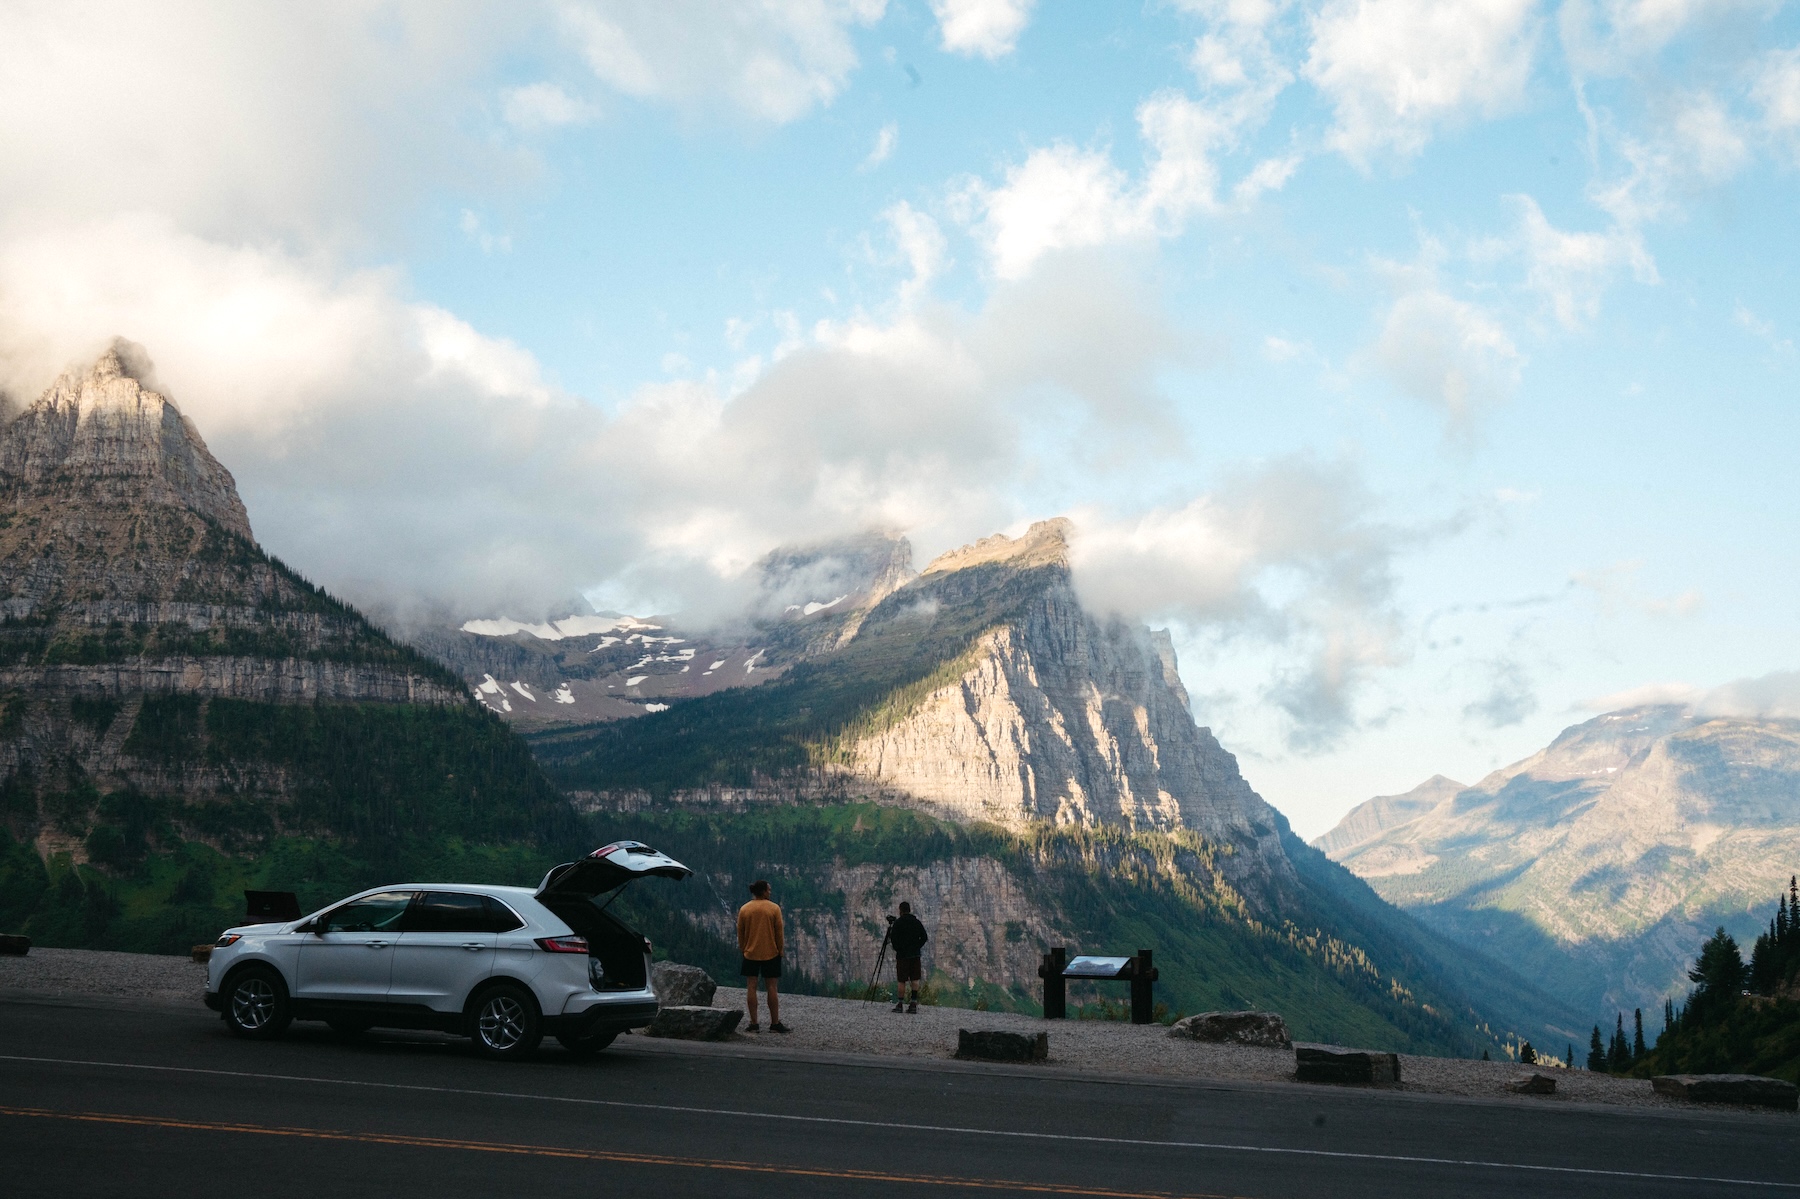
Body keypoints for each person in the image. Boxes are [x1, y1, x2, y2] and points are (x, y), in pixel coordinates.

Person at [737, 879, 788, 1033]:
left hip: (750, 953)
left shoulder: (745, 909)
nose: (770, 892)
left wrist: (744, 949)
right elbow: (779, 932)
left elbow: (741, 932)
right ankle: (774, 1023)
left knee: (751, 987)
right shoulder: (774, 909)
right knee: (772, 987)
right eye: (769, 889)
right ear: (764, 891)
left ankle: (754, 1023)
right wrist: (780, 950)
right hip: (771, 952)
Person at [888, 901, 928, 1014]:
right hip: (915, 955)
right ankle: (913, 1004)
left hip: (902, 956)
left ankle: (900, 1004)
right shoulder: (916, 922)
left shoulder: (898, 923)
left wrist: (899, 949)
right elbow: (924, 937)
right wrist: (917, 947)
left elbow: (893, 939)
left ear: (900, 910)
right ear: (909, 909)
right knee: (915, 979)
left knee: (902, 980)